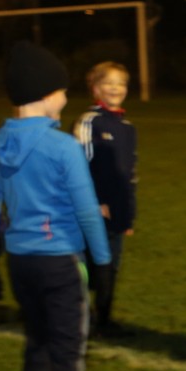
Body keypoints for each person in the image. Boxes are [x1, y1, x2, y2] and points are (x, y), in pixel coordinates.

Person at [0, 40, 116, 371]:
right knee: (68, 354)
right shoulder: (62, 147)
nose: (65, 98)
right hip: (60, 263)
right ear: (44, 93)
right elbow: (87, 210)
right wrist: (103, 263)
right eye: (62, 90)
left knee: (36, 338)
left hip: (21, 263)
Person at [73, 61, 137, 336]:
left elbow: (130, 173)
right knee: (90, 266)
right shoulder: (89, 121)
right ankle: (81, 318)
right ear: (96, 88)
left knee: (111, 266)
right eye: (109, 83)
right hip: (94, 210)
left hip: (118, 211)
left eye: (121, 84)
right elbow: (78, 167)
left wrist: (129, 213)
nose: (115, 88)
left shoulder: (127, 127)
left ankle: (104, 320)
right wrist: (94, 203)